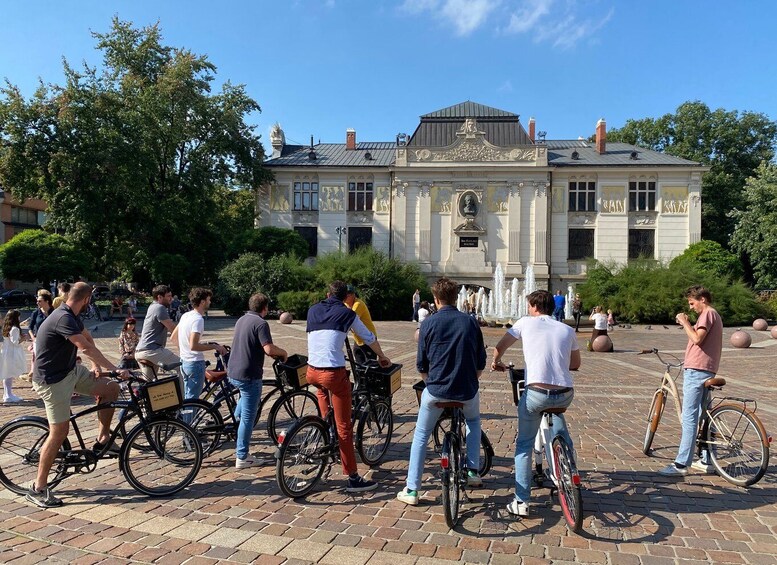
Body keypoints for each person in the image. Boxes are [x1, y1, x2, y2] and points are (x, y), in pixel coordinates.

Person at [28, 282, 128, 508]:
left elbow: (87, 340)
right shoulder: (63, 317)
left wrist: (98, 367)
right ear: (86, 300)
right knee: (59, 432)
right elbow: (84, 346)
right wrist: (115, 368)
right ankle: (39, 487)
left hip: (71, 371)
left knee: (111, 387)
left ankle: (103, 439)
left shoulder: (72, 315)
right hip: (52, 381)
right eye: (89, 301)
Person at [491, 289, 581, 517]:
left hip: (536, 393)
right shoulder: (567, 329)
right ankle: (568, 467)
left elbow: (499, 347)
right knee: (558, 419)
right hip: (565, 392)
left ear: (534, 306)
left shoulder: (524, 323)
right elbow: (575, 364)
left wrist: (496, 361)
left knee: (524, 445)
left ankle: (521, 501)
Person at [398, 277, 486, 506]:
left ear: (436, 300)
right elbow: (480, 363)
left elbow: (421, 365)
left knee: (421, 435)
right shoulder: (470, 322)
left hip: (435, 389)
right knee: (474, 422)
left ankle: (412, 489)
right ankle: (473, 471)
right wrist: (468, 381)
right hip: (466, 390)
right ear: (456, 297)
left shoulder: (428, 324)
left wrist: (432, 383)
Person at [306, 280, 391, 492]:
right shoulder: (348, 313)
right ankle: (353, 477)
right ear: (346, 298)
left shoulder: (313, 310)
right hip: (332, 374)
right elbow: (368, 337)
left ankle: (326, 435)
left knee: (328, 417)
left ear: (327, 294)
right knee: (344, 426)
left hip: (312, 371)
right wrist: (381, 356)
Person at [659, 285, 723, 476]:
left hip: (697, 370)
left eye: (692, 303)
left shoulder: (707, 314)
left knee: (690, 417)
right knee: (705, 416)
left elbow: (697, 338)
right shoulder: (714, 315)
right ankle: (707, 459)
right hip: (706, 369)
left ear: (702, 299)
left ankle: (681, 464)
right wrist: (688, 324)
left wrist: (684, 322)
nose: (690, 307)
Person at [228, 293, 287, 468]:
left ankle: (236, 423)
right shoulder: (261, 323)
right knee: (248, 417)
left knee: (243, 407)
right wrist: (283, 353)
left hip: (233, 371)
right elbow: (268, 349)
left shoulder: (242, 319)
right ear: (265, 308)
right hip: (249, 375)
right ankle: (242, 456)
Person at [174, 288, 227, 402]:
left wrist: (184, 350)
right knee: (193, 401)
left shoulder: (186, 316)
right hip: (194, 363)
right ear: (202, 302)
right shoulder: (198, 319)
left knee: (187, 397)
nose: (210, 302)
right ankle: (188, 420)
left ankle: (185, 419)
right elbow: (194, 346)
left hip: (184, 362)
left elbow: (174, 337)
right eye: (208, 300)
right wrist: (215, 346)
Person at [134, 285, 179, 381]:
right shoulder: (159, 308)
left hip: (141, 351)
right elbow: (173, 329)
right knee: (184, 366)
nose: (171, 299)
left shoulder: (152, 306)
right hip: (152, 350)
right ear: (159, 297)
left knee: (148, 385)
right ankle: (184, 395)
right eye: (168, 296)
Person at [25, 290, 54, 381]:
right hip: (38, 340)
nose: (37, 302)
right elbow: (30, 327)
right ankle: (37, 380)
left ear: (47, 301)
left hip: (51, 340)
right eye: (37, 301)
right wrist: (33, 338)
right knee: (38, 360)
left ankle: (50, 378)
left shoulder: (54, 312)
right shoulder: (36, 313)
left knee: (51, 359)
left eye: (39, 301)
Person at [344, 285, 377, 364]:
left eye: (348, 295)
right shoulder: (345, 304)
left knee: (370, 364)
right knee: (359, 363)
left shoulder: (358, 304)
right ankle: (360, 376)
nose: (345, 297)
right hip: (358, 339)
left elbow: (351, 320)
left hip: (368, 338)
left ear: (353, 295)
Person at [2, 310, 29, 403]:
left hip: (6, 351)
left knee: (6, 374)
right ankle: (8, 395)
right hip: (12, 353)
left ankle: (7, 394)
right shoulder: (14, 329)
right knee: (9, 374)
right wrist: (24, 338)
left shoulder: (7, 327)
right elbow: (16, 342)